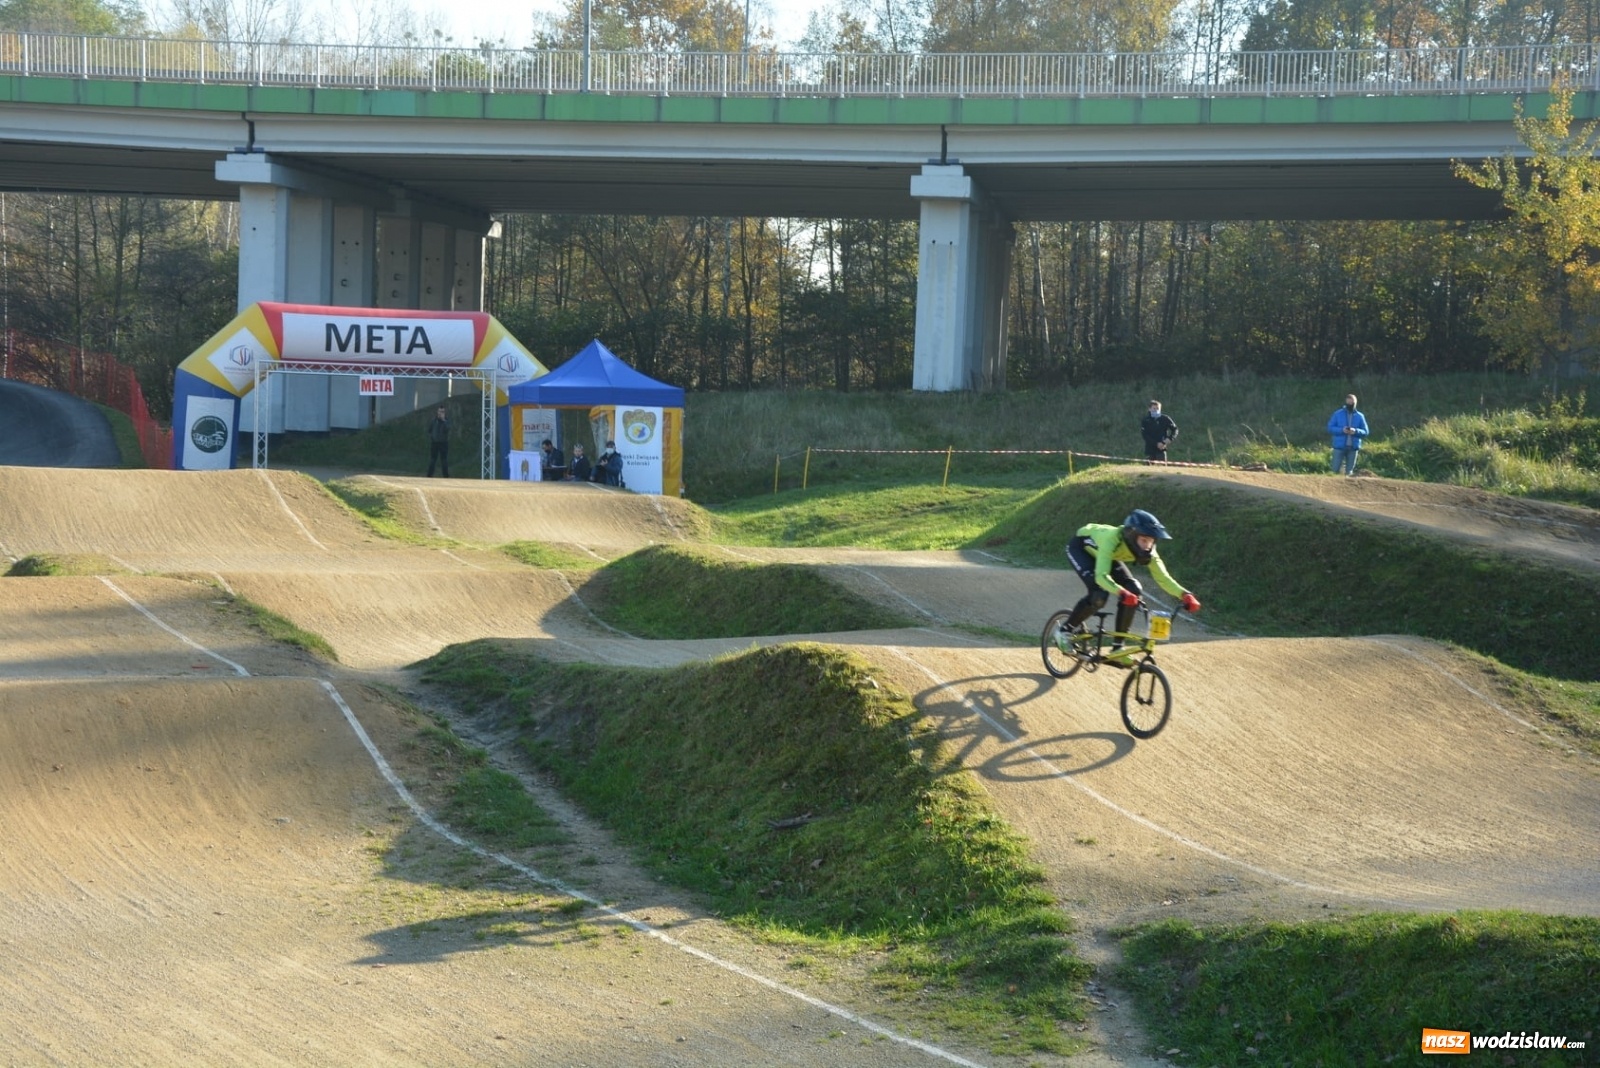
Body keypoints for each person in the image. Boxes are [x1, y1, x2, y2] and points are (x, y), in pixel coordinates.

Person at [1060, 509, 1201, 657]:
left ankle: (1118, 648)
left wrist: (1185, 594)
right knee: (1099, 594)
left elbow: (1164, 578)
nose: (1148, 546)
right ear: (1132, 536)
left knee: (1134, 589)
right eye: (1144, 540)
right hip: (1081, 549)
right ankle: (1065, 631)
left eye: (1151, 541)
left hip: (1107, 556)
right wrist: (1121, 592)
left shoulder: (1149, 552)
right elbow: (1101, 577)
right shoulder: (1112, 539)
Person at [1327, 393, 1369, 476]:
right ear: (1346, 403)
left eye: (1352, 403)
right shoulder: (1337, 414)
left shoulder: (1360, 416)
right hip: (1339, 446)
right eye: (1349, 403)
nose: (1350, 405)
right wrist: (1342, 430)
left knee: (1349, 473)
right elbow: (1330, 428)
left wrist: (1356, 431)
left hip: (1353, 448)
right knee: (1334, 470)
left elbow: (1366, 431)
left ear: (1355, 403)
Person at [1140, 399, 1178, 464]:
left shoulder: (1165, 418)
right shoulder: (1145, 420)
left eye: (1158, 408)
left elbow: (1175, 429)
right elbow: (1145, 435)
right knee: (1148, 469)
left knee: (1163, 469)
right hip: (1150, 448)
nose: (1156, 410)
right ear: (1149, 409)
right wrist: (1156, 443)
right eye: (1154, 408)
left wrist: (1170, 438)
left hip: (1161, 448)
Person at [425, 405, 450, 477]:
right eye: (439, 411)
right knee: (433, 459)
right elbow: (429, 430)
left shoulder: (447, 421)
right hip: (434, 443)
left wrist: (443, 420)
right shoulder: (434, 421)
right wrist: (432, 437)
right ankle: (429, 475)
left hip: (443, 443)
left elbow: (448, 429)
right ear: (437, 412)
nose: (440, 413)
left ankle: (446, 475)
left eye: (442, 412)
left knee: (444, 460)